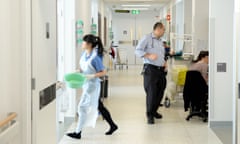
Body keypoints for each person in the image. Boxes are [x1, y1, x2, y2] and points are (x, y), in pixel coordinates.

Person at [67, 34, 118, 139]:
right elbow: (85, 67)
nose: (82, 44)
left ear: (89, 44)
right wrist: (79, 71)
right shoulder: (85, 54)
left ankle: (78, 132)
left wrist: (92, 75)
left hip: (93, 86)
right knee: (99, 106)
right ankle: (113, 125)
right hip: (86, 84)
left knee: (82, 107)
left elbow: (103, 72)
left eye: (83, 42)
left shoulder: (95, 58)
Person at [135, 22, 167, 124]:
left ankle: (154, 111)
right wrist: (148, 55)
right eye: (163, 29)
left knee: (160, 91)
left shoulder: (161, 41)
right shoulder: (147, 38)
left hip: (161, 70)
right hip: (150, 69)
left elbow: (161, 54)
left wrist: (164, 62)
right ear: (158, 29)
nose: (164, 31)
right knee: (152, 93)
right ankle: (150, 115)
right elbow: (137, 50)